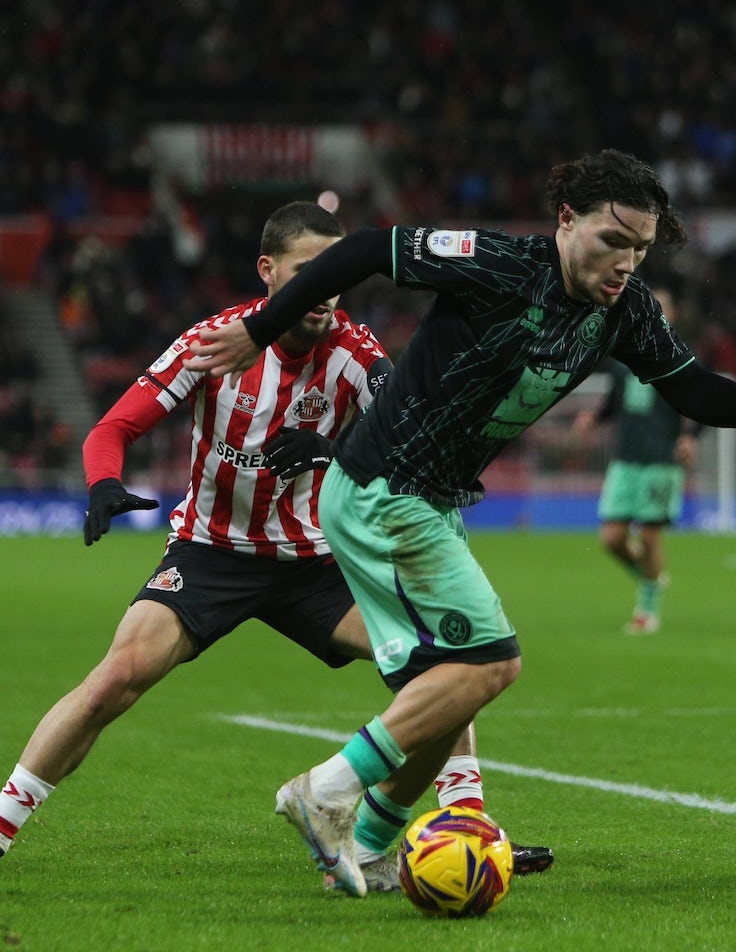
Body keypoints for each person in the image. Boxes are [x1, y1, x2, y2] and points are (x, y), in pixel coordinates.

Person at [186, 149, 736, 897]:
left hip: (428, 500)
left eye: (640, 249)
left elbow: (692, 389)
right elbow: (362, 250)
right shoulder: (497, 264)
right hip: (386, 490)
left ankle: (375, 844)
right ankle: (327, 790)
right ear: (566, 220)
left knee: (446, 688)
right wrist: (262, 327)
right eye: (614, 241)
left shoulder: (625, 312)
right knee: (491, 663)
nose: (626, 264)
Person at [0, 202, 552, 894]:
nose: (324, 293)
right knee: (114, 680)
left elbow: (404, 430)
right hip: (211, 552)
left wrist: (332, 447)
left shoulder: (354, 352)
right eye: (305, 274)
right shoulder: (215, 341)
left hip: (318, 564)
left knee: (443, 672)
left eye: (333, 276)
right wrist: (104, 481)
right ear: (268, 272)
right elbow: (112, 426)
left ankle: (459, 825)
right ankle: (2, 827)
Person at [572, 287, 699, 634]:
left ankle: (647, 610)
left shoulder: (679, 355)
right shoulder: (623, 354)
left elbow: (700, 400)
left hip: (660, 458)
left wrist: (690, 436)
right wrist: (593, 419)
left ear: (670, 315)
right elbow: (614, 402)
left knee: (648, 538)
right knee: (611, 539)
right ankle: (651, 579)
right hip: (625, 458)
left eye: (662, 307)